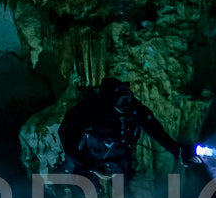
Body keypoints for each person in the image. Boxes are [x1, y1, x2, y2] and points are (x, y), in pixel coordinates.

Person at [57, 77, 199, 185]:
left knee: (122, 189)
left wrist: (177, 151)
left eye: (127, 97)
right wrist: (92, 167)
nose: (125, 103)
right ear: (109, 100)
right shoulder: (89, 111)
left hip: (120, 156)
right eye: (121, 98)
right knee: (86, 189)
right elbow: (68, 142)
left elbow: (157, 132)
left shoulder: (135, 110)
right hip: (91, 156)